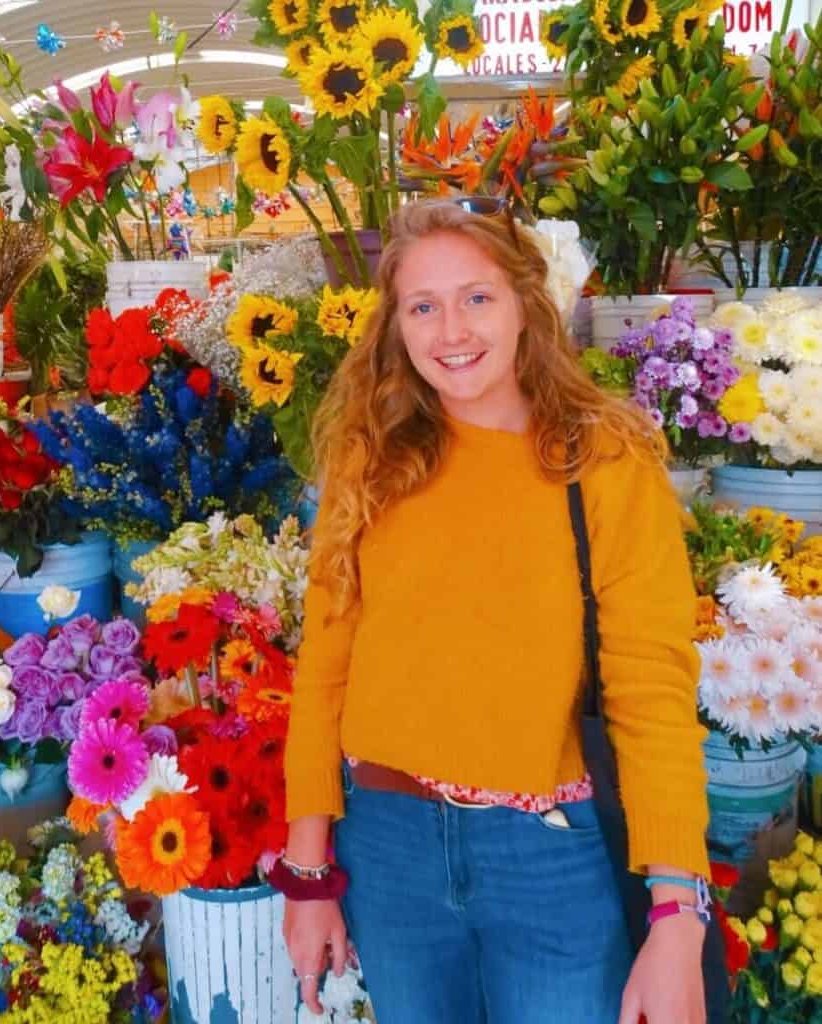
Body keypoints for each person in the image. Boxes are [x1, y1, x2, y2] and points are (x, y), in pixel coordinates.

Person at [275, 198, 710, 1024]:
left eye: (476, 297)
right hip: (390, 846)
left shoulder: (604, 461)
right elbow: (324, 670)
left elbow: (651, 689)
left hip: (552, 860)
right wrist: (308, 876)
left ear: (524, 307)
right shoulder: (370, 461)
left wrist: (674, 913)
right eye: (422, 306)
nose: (451, 331)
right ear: (395, 327)